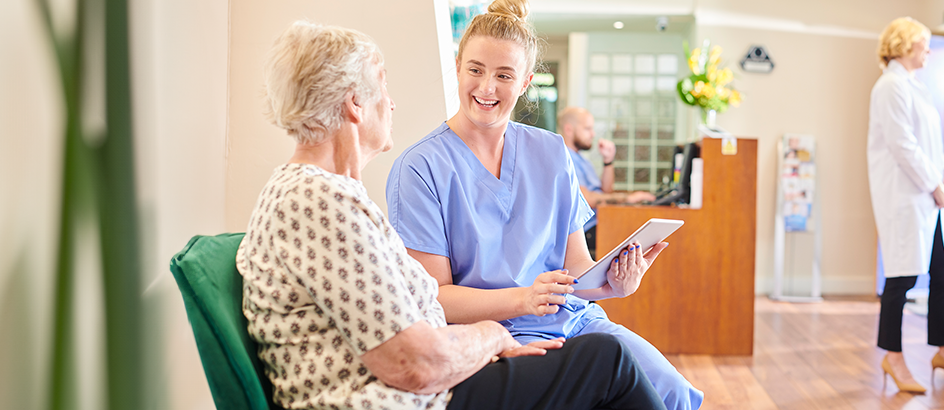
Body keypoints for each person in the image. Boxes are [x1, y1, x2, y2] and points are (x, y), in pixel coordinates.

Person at [236, 21, 666, 410]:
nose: (391, 102)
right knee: (606, 362)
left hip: (427, 383)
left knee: (617, 364)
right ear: (355, 104)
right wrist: (494, 336)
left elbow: (407, 327)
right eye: (382, 87)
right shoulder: (319, 203)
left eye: (504, 75)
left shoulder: (330, 196)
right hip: (405, 398)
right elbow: (415, 362)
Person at [383, 1, 704, 409]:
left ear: (525, 82)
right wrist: (522, 299)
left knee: (671, 390)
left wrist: (614, 284)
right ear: (459, 65)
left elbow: (574, 271)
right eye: (476, 70)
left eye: (504, 75)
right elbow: (435, 299)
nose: (486, 88)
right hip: (499, 334)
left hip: (576, 321)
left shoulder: (551, 152)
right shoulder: (420, 167)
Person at [867, 16, 944, 395]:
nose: (929, 50)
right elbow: (903, 146)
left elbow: (929, 142)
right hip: (907, 196)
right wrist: (934, 185)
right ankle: (892, 356)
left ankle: (943, 350)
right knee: (902, 279)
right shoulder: (890, 87)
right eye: (923, 43)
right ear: (904, 44)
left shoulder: (915, 87)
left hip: (929, 196)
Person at [557, 106, 656, 250]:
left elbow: (606, 192)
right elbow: (587, 200)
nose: (593, 134)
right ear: (569, 130)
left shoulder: (582, 160)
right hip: (585, 233)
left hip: (600, 223)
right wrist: (627, 198)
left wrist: (608, 161)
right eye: (587, 129)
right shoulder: (564, 158)